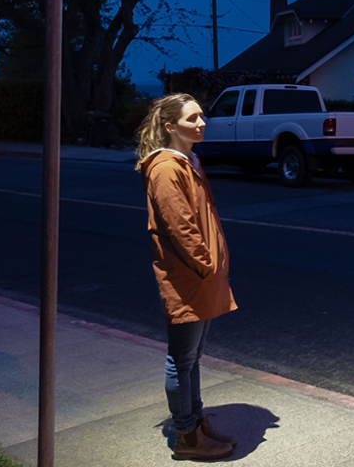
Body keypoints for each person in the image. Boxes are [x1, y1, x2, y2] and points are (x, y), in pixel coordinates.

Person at [136, 93, 238, 461]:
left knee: (192, 357)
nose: (201, 124)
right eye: (192, 119)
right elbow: (179, 226)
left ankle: (194, 422)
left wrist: (213, 267)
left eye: (201, 117)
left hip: (202, 277)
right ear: (169, 126)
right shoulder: (166, 168)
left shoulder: (188, 160)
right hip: (188, 277)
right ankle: (187, 436)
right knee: (181, 358)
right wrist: (207, 264)